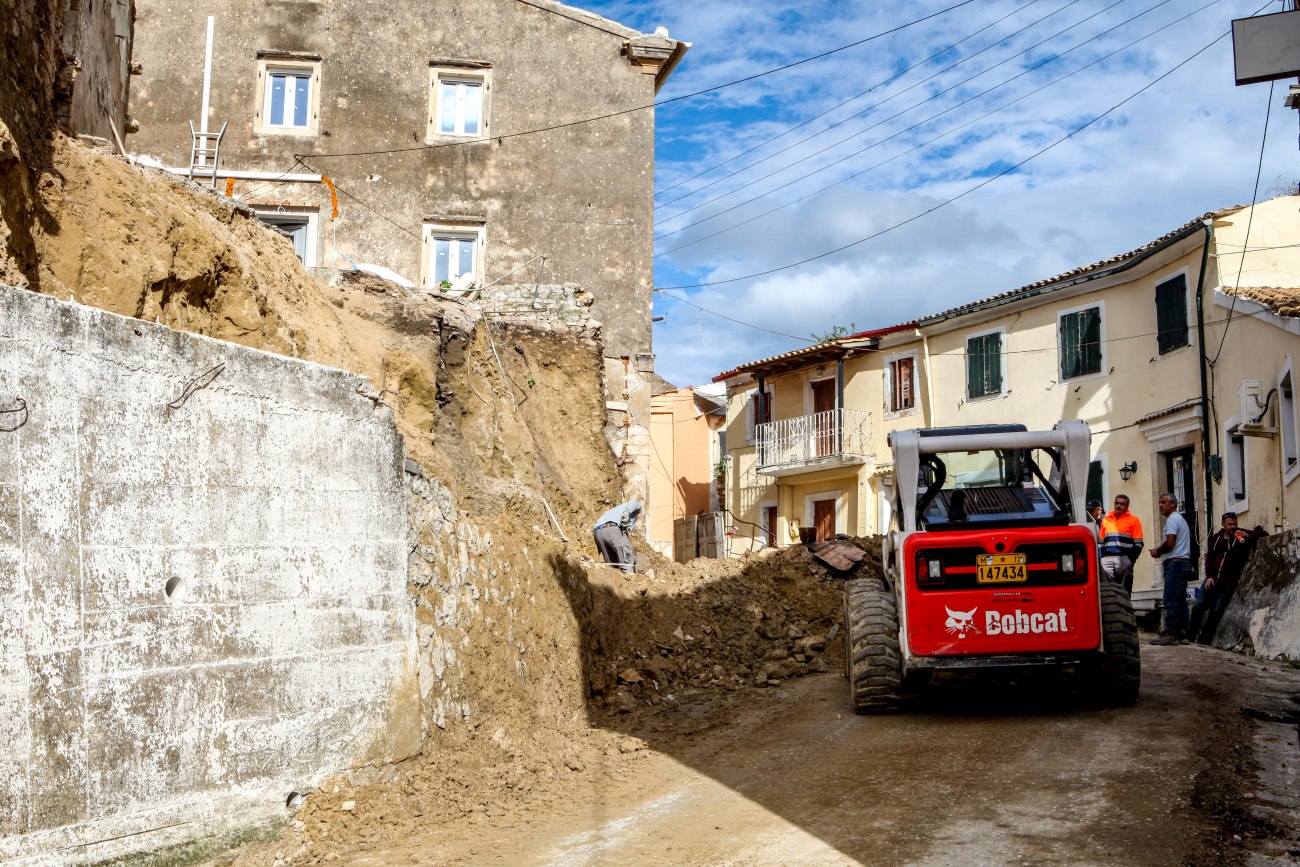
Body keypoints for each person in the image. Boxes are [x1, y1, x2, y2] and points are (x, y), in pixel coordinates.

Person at [1188, 513, 1266, 645]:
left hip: (1228, 582)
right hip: (1212, 579)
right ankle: (1190, 636)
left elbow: (1263, 533)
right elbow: (1209, 558)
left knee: (1216, 611)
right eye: (1230, 524)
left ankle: (1204, 640)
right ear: (1223, 524)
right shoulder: (1216, 538)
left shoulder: (1240, 535)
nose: (1233, 527)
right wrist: (1210, 576)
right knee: (1198, 605)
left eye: (1235, 524)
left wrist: (1248, 535)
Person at [1149, 492, 1192, 645]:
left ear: (1173, 504)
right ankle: (1183, 632)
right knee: (1180, 599)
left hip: (1175, 563)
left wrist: (1157, 551)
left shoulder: (1172, 520)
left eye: (1163, 502)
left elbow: (1170, 542)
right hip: (1183, 563)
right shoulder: (1180, 519)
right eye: (1160, 502)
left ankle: (1171, 633)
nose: (1160, 505)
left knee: (1171, 599)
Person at [1098, 494, 1144, 595]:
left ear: (1127, 506)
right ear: (1114, 504)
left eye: (1122, 504)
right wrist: (1101, 558)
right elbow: (1100, 542)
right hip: (1107, 560)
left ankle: (1125, 610)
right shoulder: (1106, 520)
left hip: (1124, 560)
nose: (1119, 506)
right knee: (1109, 591)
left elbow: (1139, 543)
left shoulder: (1134, 520)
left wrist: (1130, 560)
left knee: (1125, 590)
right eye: (1117, 503)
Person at [593, 499, 642, 573]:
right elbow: (634, 502)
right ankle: (630, 579)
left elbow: (624, 532)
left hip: (598, 532)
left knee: (612, 566)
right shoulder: (637, 508)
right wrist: (626, 514)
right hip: (613, 529)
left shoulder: (615, 511)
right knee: (627, 560)